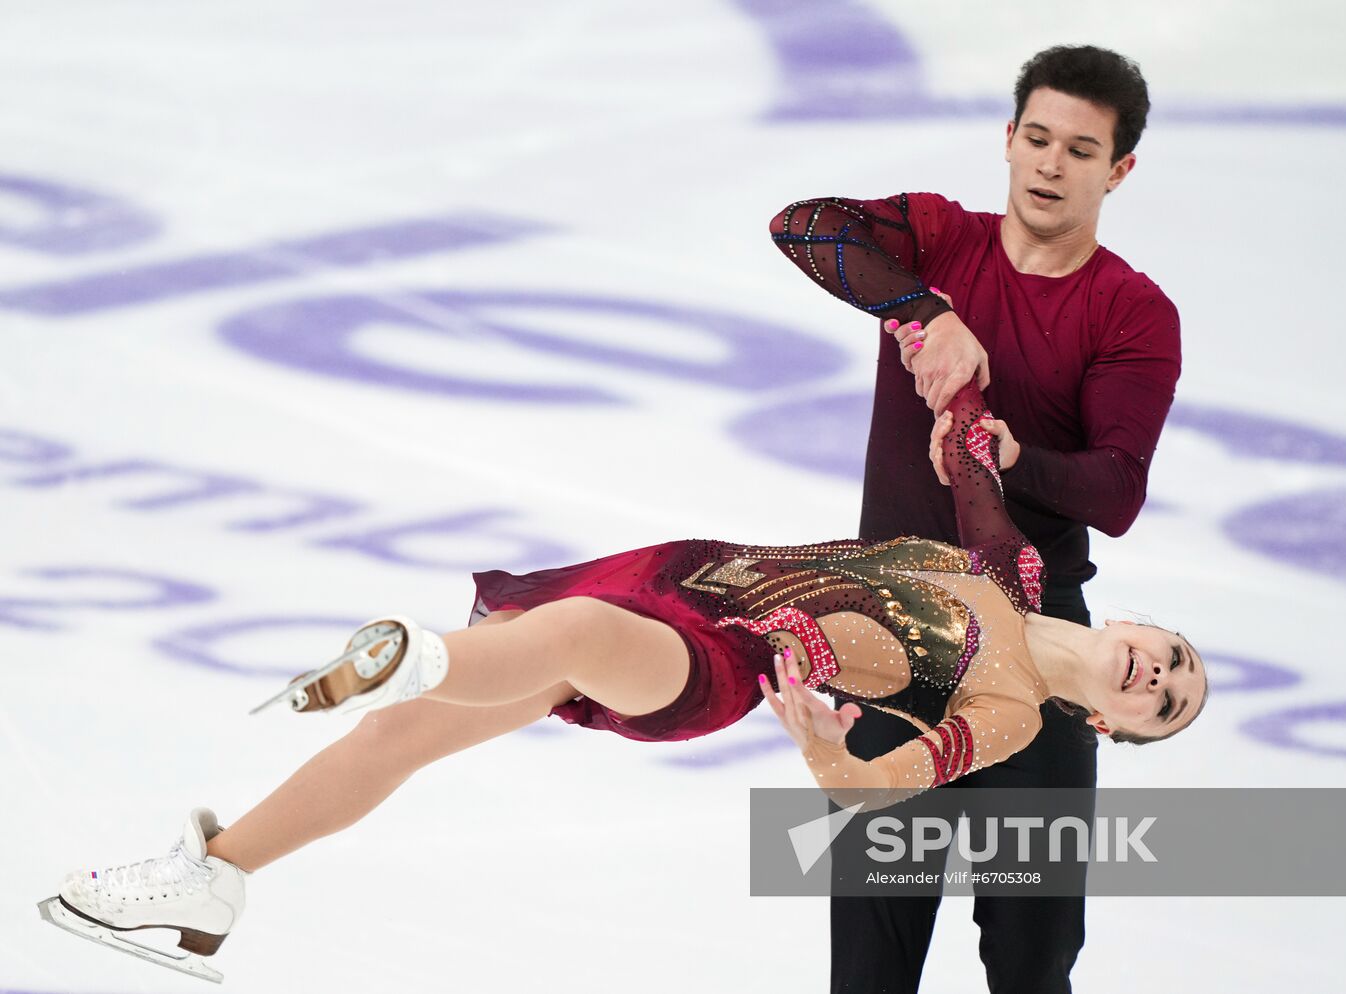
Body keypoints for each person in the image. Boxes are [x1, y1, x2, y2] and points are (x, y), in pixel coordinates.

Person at [38, 377, 1206, 985]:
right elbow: (963, 448)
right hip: (688, 569)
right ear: (1144, 622)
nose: (1159, 674)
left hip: (712, 657)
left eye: (1161, 702)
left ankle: (416, 657)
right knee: (403, 742)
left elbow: (880, 782)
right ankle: (213, 880)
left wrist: (814, 745)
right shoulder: (1007, 564)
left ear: (1104, 719)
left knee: (567, 639)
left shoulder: (1003, 716)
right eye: (1176, 660)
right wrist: (944, 367)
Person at [768, 44, 1182, 994]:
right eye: (1036, 139)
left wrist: (1015, 457)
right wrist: (924, 310)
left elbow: (1116, 491)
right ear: (1007, 140)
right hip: (894, 640)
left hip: (1039, 656)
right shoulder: (941, 240)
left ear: (1118, 170)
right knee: (871, 961)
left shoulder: (1129, 312)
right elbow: (802, 225)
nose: (1050, 164)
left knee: (1033, 965)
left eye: (1080, 151)